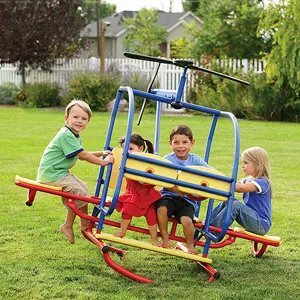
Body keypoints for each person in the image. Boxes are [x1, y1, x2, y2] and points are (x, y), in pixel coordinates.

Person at [36, 99, 114, 244]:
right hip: (51, 174)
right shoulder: (66, 135)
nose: (79, 121)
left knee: (82, 188)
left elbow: (82, 155)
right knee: (80, 193)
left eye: (84, 118)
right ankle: (84, 223)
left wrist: (101, 153)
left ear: (88, 122)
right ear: (66, 118)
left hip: (58, 172)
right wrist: (104, 162)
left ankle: (68, 225)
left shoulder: (74, 136)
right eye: (75, 117)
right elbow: (83, 155)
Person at [156, 125, 211, 254]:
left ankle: (190, 245)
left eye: (185, 142)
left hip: (188, 200)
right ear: (170, 144)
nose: (180, 146)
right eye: (176, 142)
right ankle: (165, 237)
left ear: (192, 143)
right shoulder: (167, 160)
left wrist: (225, 179)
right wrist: (175, 189)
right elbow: (161, 177)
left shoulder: (195, 159)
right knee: (161, 210)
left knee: (187, 220)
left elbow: (210, 171)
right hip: (168, 195)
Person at [210, 146, 272, 236]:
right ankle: (210, 224)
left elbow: (241, 188)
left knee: (236, 205)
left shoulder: (263, 182)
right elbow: (236, 183)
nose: (242, 166)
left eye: (245, 163)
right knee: (228, 201)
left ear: (258, 164)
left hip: (261, 224)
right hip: (253, 219)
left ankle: (214, 232)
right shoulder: (249, 179)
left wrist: (225, 184)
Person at [113, 133, 162, 246]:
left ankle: (154, 239)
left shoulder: (149, 161)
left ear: (141, 149)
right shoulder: (127, 161)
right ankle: (122, 231)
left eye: (131, 149)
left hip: (147, 195)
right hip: (133, 193)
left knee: (151, 214)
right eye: (125, 149)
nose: (128, 152)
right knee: (127, 208)